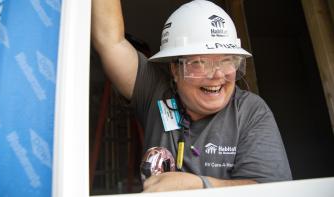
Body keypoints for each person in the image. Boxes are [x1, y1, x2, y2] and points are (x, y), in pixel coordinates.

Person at [92, 0, 292, 192]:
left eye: (227, 61)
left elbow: (272, 190)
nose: (218, 75)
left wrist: (198, 186)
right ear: (175, 70)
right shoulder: (154, 93)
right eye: (200, 62)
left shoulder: (250, 112)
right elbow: (110, 41)